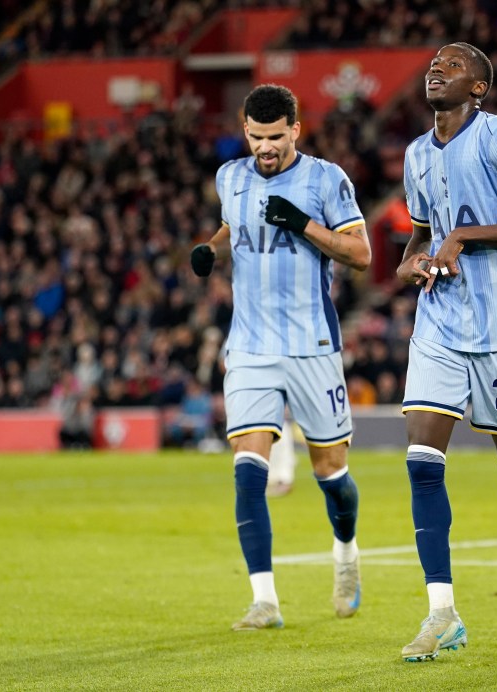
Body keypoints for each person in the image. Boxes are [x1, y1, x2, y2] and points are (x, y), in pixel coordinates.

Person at [396, 42, 497, 661]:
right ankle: (442, 613)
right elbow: (417, 240)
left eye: (455, 65)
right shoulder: (416, 154)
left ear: (478, 89)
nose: (439, 68)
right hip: (439, 324)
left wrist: (463, 235)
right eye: (436, 63)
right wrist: (414, 263)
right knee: (420, 459)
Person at [190, 84, 371, 631]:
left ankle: (346, 553)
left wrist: (303, 224)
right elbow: (232, 227)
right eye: (255, 137)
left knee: (330, 472)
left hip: (312, 346)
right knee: (248, 470)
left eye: (274, 137)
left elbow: (361, 254)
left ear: (296, 128)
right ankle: (264, 600)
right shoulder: (231, 176)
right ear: (245, 130)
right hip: (249, 347)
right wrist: (212, 250)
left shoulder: (326, 179)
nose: (264, 148)